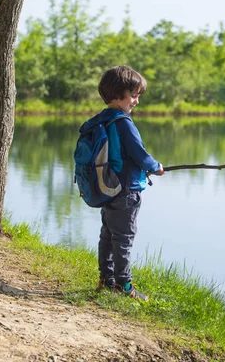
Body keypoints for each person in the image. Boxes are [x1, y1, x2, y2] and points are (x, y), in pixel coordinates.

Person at [94, 65, 164, 301]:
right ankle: (124, 285)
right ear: (118, 93)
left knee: (108, 233)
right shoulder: (123, 122)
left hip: (108, 187)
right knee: (124, 236)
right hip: (126, 191)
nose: (136, 101)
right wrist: (156, 167)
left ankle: (106, 279)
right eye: (134, 95)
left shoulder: (102, 118)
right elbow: (139, 153)